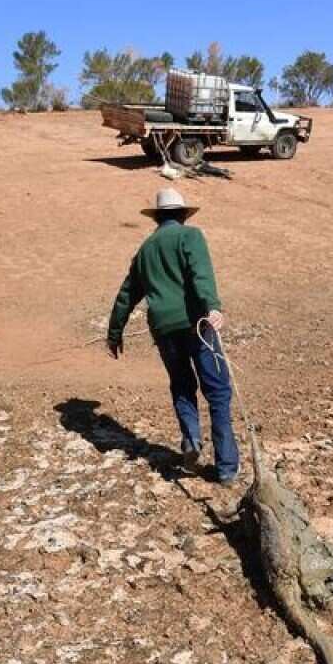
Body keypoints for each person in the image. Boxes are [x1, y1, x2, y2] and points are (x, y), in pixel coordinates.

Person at [106, 188, 238, 484]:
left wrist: (114, 334)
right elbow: (200, 273)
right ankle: (227, 466)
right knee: (217, 391)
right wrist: (212, 306)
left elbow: (126, 295)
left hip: (163, 328)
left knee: (181, 385)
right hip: (197, 323)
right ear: (181, 215)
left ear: (158, 218)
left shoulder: (145, 250)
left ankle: (191, 438)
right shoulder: (189, 236)